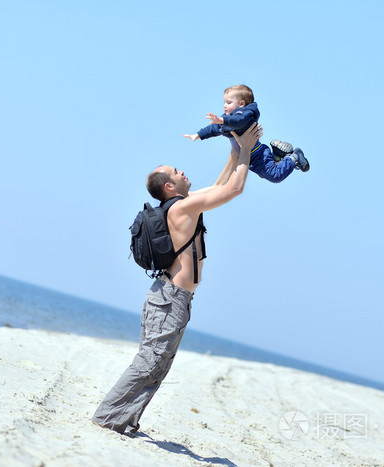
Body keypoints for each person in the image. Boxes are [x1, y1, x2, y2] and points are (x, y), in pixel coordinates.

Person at [91, 123, 263, 435]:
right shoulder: (183, 208)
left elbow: (219, 184)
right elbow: (234, 189)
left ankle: (123, 419)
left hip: (175, 299)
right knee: (150, 361)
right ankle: (106, 416)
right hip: (169, 300)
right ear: (169, 187)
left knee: (159, 363)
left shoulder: (184, 203)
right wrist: (248, 150)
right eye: (176, 171)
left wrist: (235, 144)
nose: (183, 172)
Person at [183, 84, 310, 182]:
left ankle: (294, 157)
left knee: (275, 176)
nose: (224, 106)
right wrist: (198, 135)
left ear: (241, 104)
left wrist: (221, 120)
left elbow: (238, 121)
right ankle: (277, 154)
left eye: (228, 102)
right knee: (267, 173)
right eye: (224, 102)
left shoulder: (244, 115)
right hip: (252, 155)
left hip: (256, 154)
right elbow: (214, 128)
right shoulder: (229, 118)